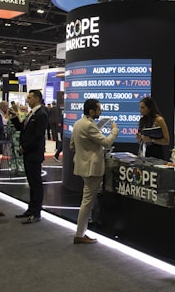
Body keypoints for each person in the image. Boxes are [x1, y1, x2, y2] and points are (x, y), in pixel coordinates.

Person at [71, 99, 119, 244]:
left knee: (87, 200)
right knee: (87, 202)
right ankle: (80, 234)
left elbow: (72, 145)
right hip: (92, 168)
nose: (101, 112)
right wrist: (114, 130)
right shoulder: (89, 126)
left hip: (83, 166)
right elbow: (106, 142)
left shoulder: (78, 123)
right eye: (99, 109)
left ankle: (82, 232)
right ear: (91, 111)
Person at [10, 89, 49, 224]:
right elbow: (23, 128)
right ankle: (31, 209)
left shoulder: (41, 114)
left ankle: (36, 212)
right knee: (32, 183)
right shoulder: (32, 113)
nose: (27, 100)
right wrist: (14, 116)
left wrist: (24, 147)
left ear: (37, 98)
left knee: (36, 183)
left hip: (34, 154)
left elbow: (38, 135)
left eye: (30, 97)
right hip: (29, 153)